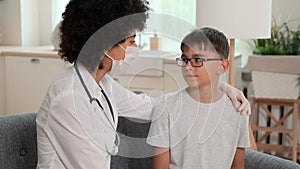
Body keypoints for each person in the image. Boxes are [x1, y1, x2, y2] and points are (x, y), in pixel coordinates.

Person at [36, 0, 250, 168]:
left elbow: (153, 106)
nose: (135, 47)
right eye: (131, 41)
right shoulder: (68, 98)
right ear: (106, 45)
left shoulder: (103, 85)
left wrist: (219, 87)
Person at [147, 27, 250, 169]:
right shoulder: (167, 108)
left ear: (222, 66)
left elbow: (238, 165)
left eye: (197, 59)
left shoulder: (237, 110)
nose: (188, 67)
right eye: (185, 59)